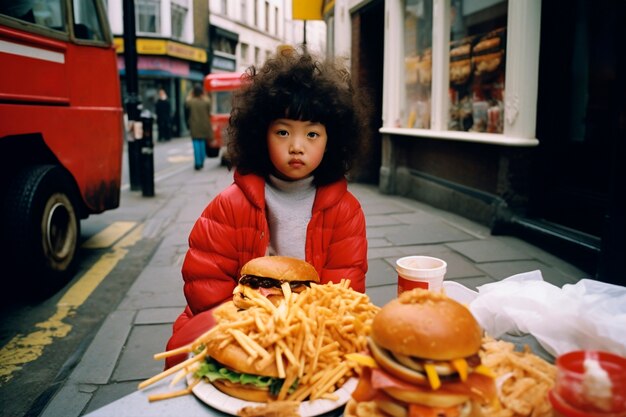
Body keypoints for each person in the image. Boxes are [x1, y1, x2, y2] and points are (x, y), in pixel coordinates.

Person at [164, 46, 372, 368]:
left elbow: (345, 292)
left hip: (310, 337)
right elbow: (204, 284)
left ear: (333, 141)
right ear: (261, 134)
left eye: (313, 134)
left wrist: (296, 332)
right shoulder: (228, 206)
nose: (297, 146)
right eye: (283, 131)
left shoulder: (345, 211)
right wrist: (252, 328)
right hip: (237, 332)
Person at [185, 84, 213, 170]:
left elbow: (187, 105)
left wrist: (191, 94)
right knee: (202, 143)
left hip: (194, 125)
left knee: (196, 143)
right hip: (204, 125)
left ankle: (198, 163)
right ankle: (202, 160)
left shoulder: (190, 102)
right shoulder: (206, 101)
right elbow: (210, 110)